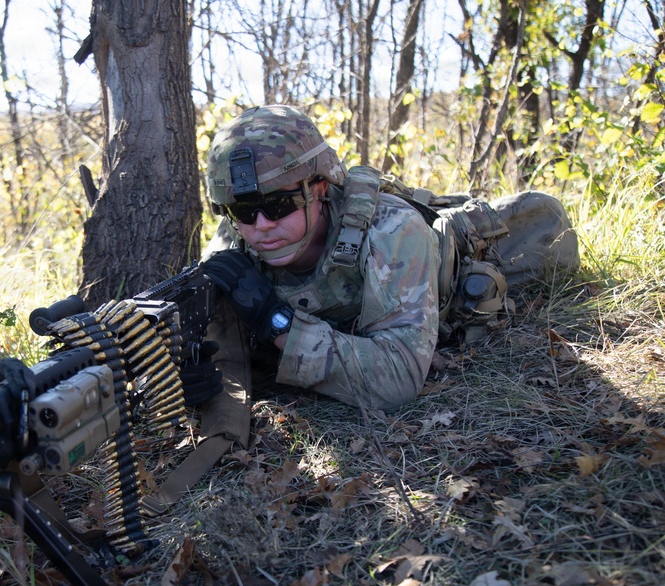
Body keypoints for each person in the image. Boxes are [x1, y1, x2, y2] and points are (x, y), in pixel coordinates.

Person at [194, 104, 580, 411]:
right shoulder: (237, 236)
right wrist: (195, 368)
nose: (260, 225)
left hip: (477, 255)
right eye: (243, 211)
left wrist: (277, 324)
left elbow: (399, 378)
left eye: (280, 204)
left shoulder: (389, 230)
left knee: (545, 220)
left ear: (320, 187)